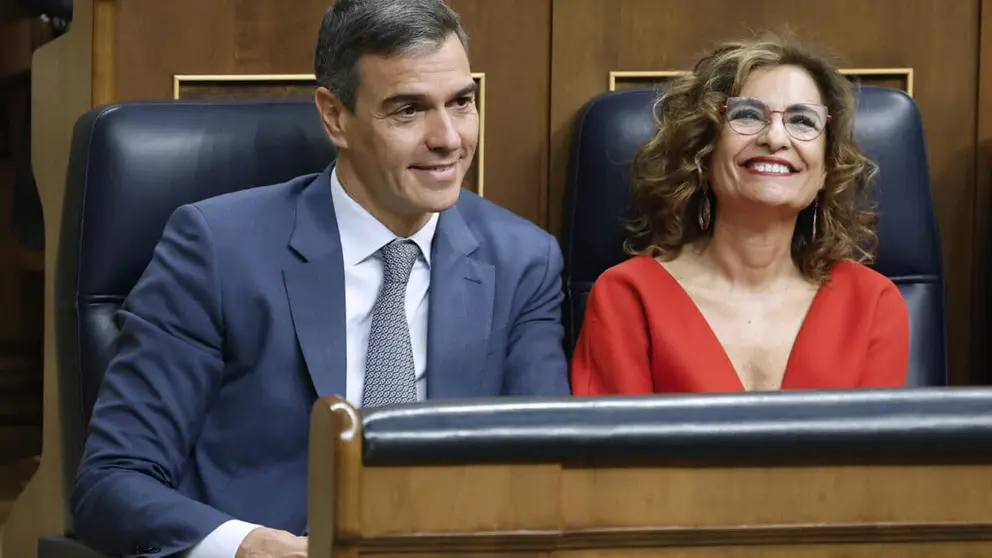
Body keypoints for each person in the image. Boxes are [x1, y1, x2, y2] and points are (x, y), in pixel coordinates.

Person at [70, 1, 570, 557]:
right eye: (408, 110)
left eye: (462, 103)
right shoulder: (216, 249)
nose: (448, 138)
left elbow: (543, 474)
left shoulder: (523, 261)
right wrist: (247, 546)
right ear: (335, 116)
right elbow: (113, 482)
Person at [570, 35, 909, 395]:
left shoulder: (872, 305)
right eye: (747, 114)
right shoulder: (628, 297)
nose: (776, 138)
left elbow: (877, 452)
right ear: (703, 151)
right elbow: (615, 450)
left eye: (803, 121)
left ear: (826, 169)